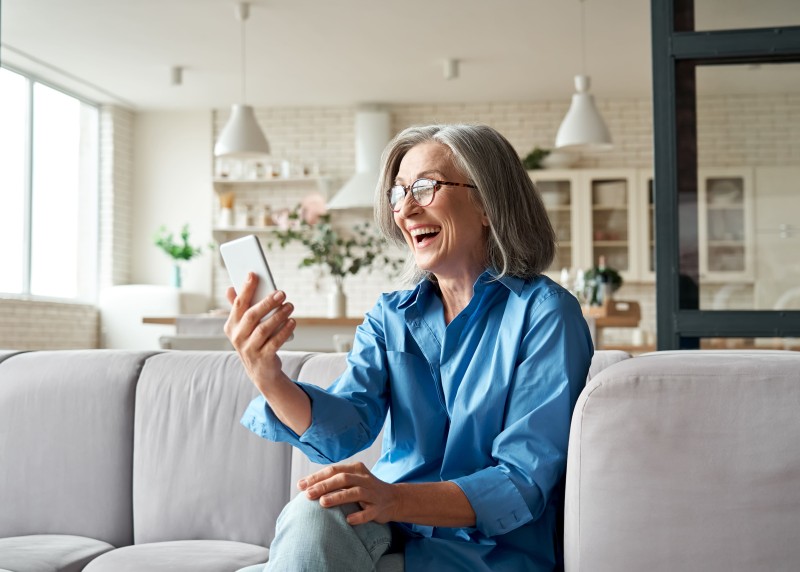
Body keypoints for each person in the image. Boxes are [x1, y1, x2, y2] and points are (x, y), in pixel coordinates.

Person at [225, 124, 594, 571]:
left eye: (424, 187)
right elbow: (345, 425)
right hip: (392, 523)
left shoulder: (546, 314)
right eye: (399, 194)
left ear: (488, 204)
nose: (406, 209)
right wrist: (268, 376)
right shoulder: (391, 315)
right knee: (313, 509)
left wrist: (394, 498)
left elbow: (522, 480)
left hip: (490, 550)